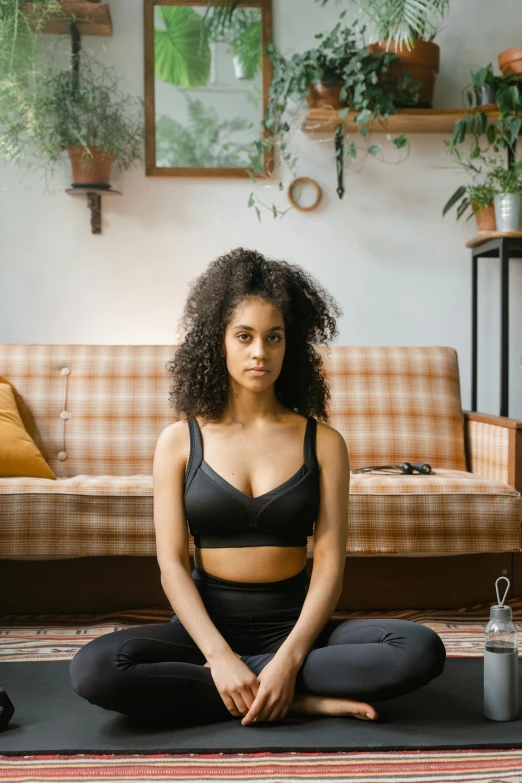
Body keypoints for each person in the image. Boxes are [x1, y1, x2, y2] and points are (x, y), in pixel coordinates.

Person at [69, 247, 446, 726]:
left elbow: (330, 566)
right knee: (95, 669)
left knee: (419, 649)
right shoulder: (179, 442)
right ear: (218, 341)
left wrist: (289, 658)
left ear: (291, 346)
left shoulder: (324, 442)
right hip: (204, 629)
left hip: (294, 627)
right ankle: (296, 699)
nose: (259, 353)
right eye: (244, 336)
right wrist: (219, 656)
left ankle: (250, 688)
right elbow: (171, 565)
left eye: (274, 338)